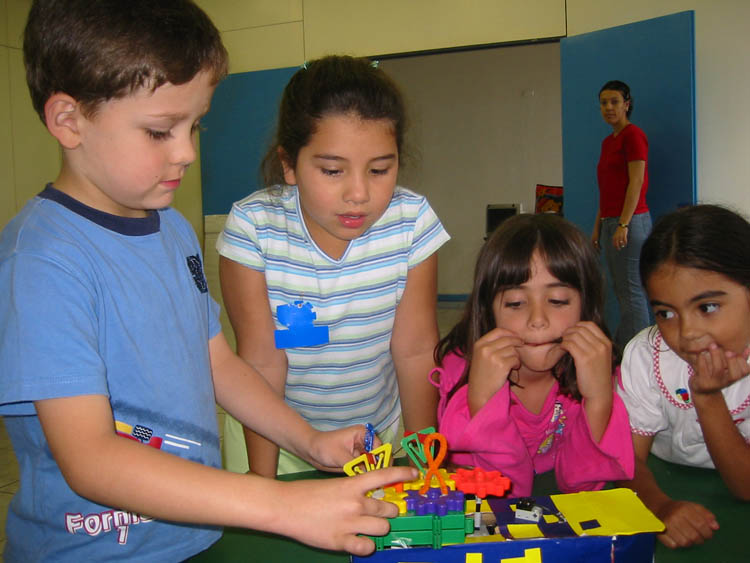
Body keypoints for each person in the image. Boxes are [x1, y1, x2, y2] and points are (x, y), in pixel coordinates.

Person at [0, 2, 417, 561]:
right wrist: (277, 503)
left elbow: (218, 363)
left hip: (194, 532)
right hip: (96, 548)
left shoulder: (169, 230)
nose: (187, 153)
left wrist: (307, 440)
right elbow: (92, 460)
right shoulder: (44, 261)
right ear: (69, 121)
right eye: (159, 131)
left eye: (193, 125)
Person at [217, 55, 450, 477]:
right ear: (288, 164)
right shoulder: (254, 228)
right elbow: (262, 361)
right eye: (331, 170)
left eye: (380, 169)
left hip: (378, 439)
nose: (358, 193)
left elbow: (415, 351)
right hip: (274, 441)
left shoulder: (412, 222)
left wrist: (423, 465)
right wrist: (263, 482)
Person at [429, 214, 633, 498]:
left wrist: (599, 398)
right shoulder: (461, 373)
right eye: (515, 303)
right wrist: (482, 402)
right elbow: (500, 495)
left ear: (586, 306)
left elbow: (583, 490)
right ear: (488, 311)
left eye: (558, 300)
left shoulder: (593, 365)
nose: (538, 320)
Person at [617, 204, 750, 549]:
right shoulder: (646, 355)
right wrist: (659, 506)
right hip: (665, 481)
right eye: (665, 312)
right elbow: (626, 459)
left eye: (707, 307)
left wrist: (707, 398)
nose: (687, 332)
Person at [591, 80, 652, 351]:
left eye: (614, 102)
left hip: (630, 223)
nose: (608, 108)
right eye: (604, 103)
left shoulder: (633, 135)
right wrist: (598, 228)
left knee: (632, 293)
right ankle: (626, 348)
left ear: (627, 104)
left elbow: (635, 183)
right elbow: (607, 190)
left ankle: (642, 354)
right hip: (611, 223)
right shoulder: (608, 142)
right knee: (623, 293)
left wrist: (624, 224)